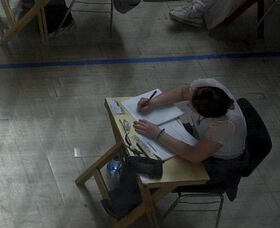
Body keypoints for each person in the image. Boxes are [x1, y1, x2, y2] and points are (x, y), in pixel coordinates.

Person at [104, 79, 247, 217]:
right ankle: (126, 171)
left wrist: (158, 134)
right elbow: (183, 91)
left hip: (218, 163)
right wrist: (153, 102)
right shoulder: (209, 89)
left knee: (154, 167)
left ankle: (119, 205)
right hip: (198, 137)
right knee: (140, 138)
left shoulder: (225, 125)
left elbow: (194, 156)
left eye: (192, 107)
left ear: (206, 116)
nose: (188, 105)